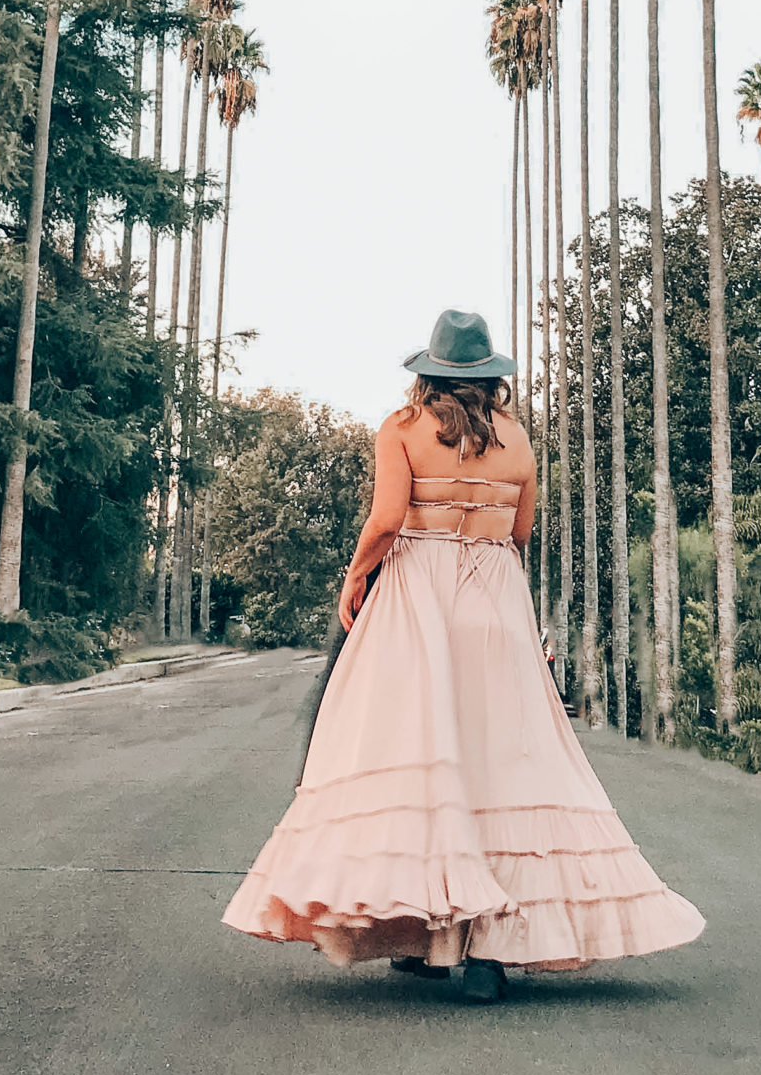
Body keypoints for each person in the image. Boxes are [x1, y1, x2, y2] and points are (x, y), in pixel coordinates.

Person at [223, 307, 706, 1003]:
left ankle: (420, 932)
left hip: (419, 600)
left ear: (429, 373)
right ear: (490, 378)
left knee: (408, 759)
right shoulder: (517, 441)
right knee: (502, 768)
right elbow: (520, 529)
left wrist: (356, 576)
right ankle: (486, 957)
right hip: (495, 600)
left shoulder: (402, 429)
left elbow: (387, 519)